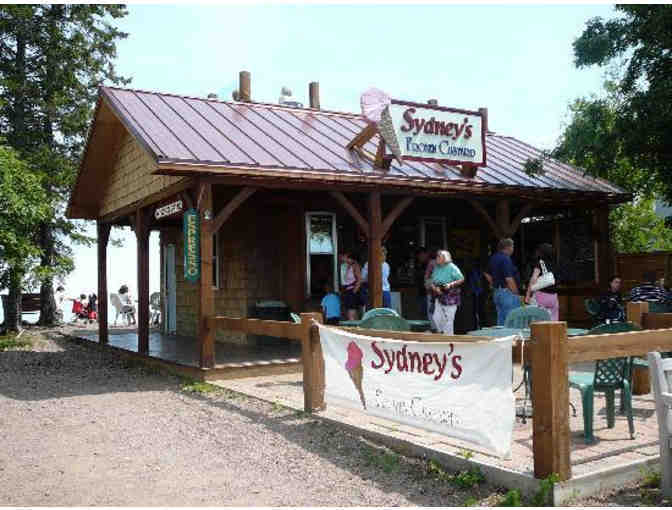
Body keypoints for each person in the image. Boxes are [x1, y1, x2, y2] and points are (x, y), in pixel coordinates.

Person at [485, 238, 521, 326]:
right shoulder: (506, 259)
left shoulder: (494, 258)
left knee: (501, 320)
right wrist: (516, 292)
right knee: (512, 321)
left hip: (497, 292)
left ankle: (502, 339)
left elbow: (486, 273)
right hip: (507, 293)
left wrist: (493, 283)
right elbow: (509, 279)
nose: (513, 249)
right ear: (508, 247)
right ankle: (511, 339)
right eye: (512, 247)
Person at [428, 250, 464, 335]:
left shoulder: (452, 267)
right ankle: (442, 332)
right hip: (438, 293)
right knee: (436, 317)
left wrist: (450, 284)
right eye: (437, 256)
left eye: (438, 257)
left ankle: (448, 337)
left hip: (450, 293)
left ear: (445, 258)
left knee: (449, 318)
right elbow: (432, 280)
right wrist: (434, 288)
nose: (436, 258)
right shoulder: (437, 267)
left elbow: (461, 279)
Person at [525, 243, 559, 320]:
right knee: (553, 321)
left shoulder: (540, 263)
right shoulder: (555, 264)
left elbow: (533, 279)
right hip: (554, 297)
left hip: (541, 296)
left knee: (539, 321)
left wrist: (528, 295)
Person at [341, 253, 362, 320]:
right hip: (348, 290)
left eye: (346, 257)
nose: (345, 259)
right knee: (348, 311)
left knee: (351, 311)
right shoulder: (348, 266)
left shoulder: (355, 266)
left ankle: (354, 327)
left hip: (352, 291)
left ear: (351, 259)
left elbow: (359, 279)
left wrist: (354, 292)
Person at [415, 247, 430, 318]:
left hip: (428, 294)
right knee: (423, 314)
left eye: (421, 255)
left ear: (426, 254)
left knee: (428, 314)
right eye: (418, 255)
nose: (419, 257)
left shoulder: (430, 264)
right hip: (421, 293)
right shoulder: (420, 265)